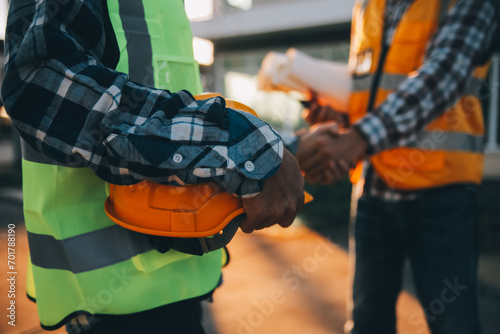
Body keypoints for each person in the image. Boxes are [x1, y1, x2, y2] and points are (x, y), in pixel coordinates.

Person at [2, 0, 304, 333]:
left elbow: (177, 102)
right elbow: (39, 81)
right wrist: (241, 146)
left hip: (174, 283)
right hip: (111, 300)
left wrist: (288, 149)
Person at [295, 0, 499, 333]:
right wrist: (340, 119)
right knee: (366, 323)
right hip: (373, 188)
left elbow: (442, 76)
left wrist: (356, 139)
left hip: (442, 195)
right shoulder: (367, 5)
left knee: (453, 324)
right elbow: (369, 90)